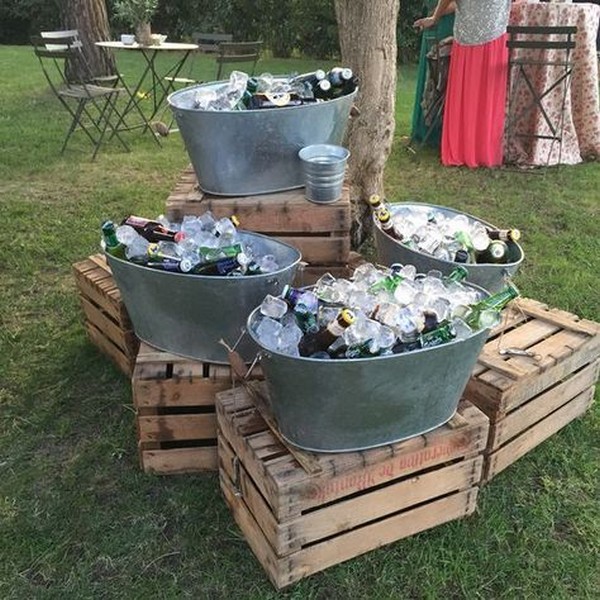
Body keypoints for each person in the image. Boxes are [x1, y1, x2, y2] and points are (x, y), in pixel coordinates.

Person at [415, 0, 512, 167]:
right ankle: (483, 149)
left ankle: (466, 147)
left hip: (477, 34)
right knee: (484, 95)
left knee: (469, 95)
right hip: (488, 34)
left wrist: (435, 17)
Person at [411, 0, 456, 146]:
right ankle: (422, 129)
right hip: (432, 22)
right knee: (430, 74)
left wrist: (435, 15)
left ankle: (438, 133)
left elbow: (457, 4)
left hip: (446, 23)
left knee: (441, 77)